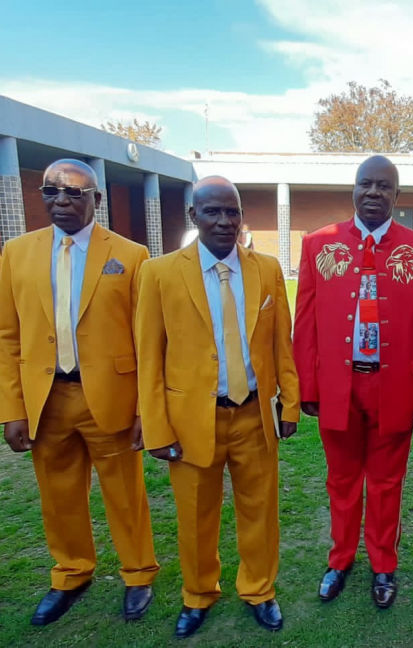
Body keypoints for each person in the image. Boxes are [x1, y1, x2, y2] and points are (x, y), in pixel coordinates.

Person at [0, 159, 158, 627]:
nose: (61, 201)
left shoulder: (131, 255)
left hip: (110, 395)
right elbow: (5, 335)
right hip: (47, 397)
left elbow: (146, 337)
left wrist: (145, 409)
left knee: (125, 493)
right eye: (51, 192)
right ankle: (71, 572)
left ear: (96, 200)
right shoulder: (17, 253)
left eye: (74, 193)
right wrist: (12, 408)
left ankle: (138, 572)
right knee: (59, 494)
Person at [136, 175, 299, 638]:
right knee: (194, 516)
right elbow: (149, 358)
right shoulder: (159, 273)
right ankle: (198, 593)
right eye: (213, 211)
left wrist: (289, 404)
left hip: (253, 416)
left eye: (233, 212)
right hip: (191, 420)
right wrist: (156, 428)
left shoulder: (266, 269)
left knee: (260, 512)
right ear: (194, 216)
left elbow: (281, 345)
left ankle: (259, 590)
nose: (225, 221)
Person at [293, 155, 413, 608]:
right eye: (366, 184)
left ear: (397, 195)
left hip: (393, 387)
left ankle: (383, 564)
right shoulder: (319, 244)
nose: (374, 192)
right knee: (341, 480)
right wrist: (307, 387)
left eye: (384, 186)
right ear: (354, 189)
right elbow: (305, 322)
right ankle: (339, 559)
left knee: (386, 482)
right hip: (337, 386)